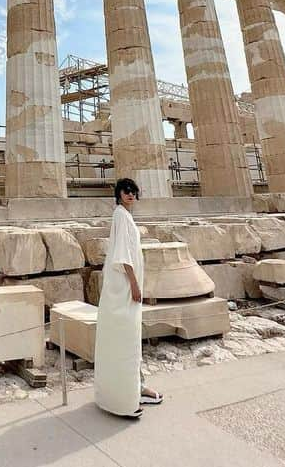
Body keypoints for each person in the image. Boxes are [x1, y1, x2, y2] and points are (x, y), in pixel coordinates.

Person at [93, 177, 163, 418]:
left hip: (123, 286)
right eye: (126, 191)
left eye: (133, 191)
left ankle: (133, 390)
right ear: (118, 193)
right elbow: (123, 256)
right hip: (123, 288)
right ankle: (124, 399)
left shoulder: (124, 215)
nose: (130, 194)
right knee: (125, 340)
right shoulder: (121, 216)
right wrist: (134, 284)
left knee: (125, 340)